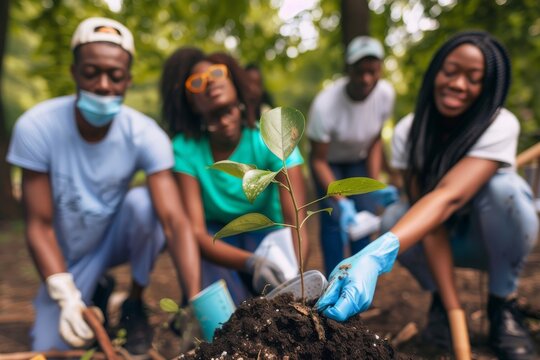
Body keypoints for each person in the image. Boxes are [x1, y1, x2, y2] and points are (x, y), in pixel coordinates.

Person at [315, 31, 538, 360]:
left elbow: (448, 196)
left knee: (506, 190)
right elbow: (431, 219)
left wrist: (376, 254)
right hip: (446, 236)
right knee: (397, 217)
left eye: (473, 79)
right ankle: (438, 303)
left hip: (495, 238)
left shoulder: (499, 124)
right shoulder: (409, 131)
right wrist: (453, 309)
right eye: (451, 71)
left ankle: (501, 305)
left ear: (487, 87)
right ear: (435, 71)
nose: (459, 84)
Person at [6, 17, 201, 356]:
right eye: (91, 72)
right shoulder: (36, 127)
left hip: (112, 238)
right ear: (74, 72)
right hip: (65, 252)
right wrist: (65, 295)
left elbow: (174, 221)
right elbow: (38, 225)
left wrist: (195, 298)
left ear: (128, 79)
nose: (103, 85)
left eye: (115, 75)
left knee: (145, 205)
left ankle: (134, 304)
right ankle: (91, 289)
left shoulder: (145, 134)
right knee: (55, 344)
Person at [161, 50, 309, 305]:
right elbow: (195, 232)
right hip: (217, 242)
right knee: (229, 315)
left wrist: (295, 276)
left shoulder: (272, 137)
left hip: (268, 235)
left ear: (235, 83)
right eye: (196, 82)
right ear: (190, 103)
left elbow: (296, 218)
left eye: (216, 73)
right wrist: (250, 263)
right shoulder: (185, 149)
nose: (209, 82)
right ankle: (194, 307)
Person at [306, 35, 398, 275]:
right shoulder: (325, 105)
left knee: (365, 222)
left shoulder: (386, 94)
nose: (366, 79)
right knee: (335, 221)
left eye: (373, 71)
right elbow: (318, 160)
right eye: (360, 72)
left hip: (359, 160)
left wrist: (374, 182)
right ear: (349, 69)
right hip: (329, 164)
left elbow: (375, 140)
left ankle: (361, 279)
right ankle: (333, 281)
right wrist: (342, 200)